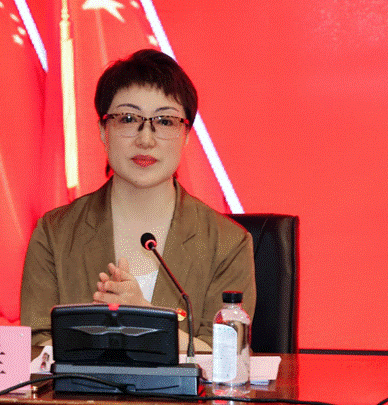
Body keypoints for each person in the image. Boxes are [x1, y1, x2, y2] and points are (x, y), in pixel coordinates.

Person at [20, 49, 256, 351]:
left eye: (165, 121)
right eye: (129, 119)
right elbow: (36, 346)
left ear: (186, 134)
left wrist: (145, 319)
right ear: (103, 130)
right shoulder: (54, 233)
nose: (146, 139)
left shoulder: (228, 243)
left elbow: (228, 355)